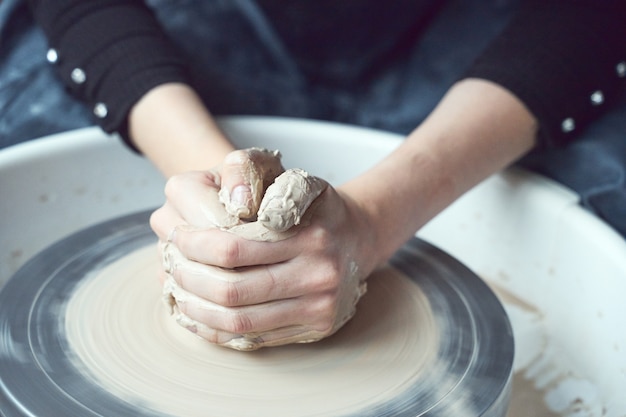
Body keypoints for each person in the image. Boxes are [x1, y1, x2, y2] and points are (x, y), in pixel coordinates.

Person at [2, 0, 625, 349]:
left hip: (480, 29)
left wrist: (377, 219)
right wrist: (214, 189)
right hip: (198, 18)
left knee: (608, 196)